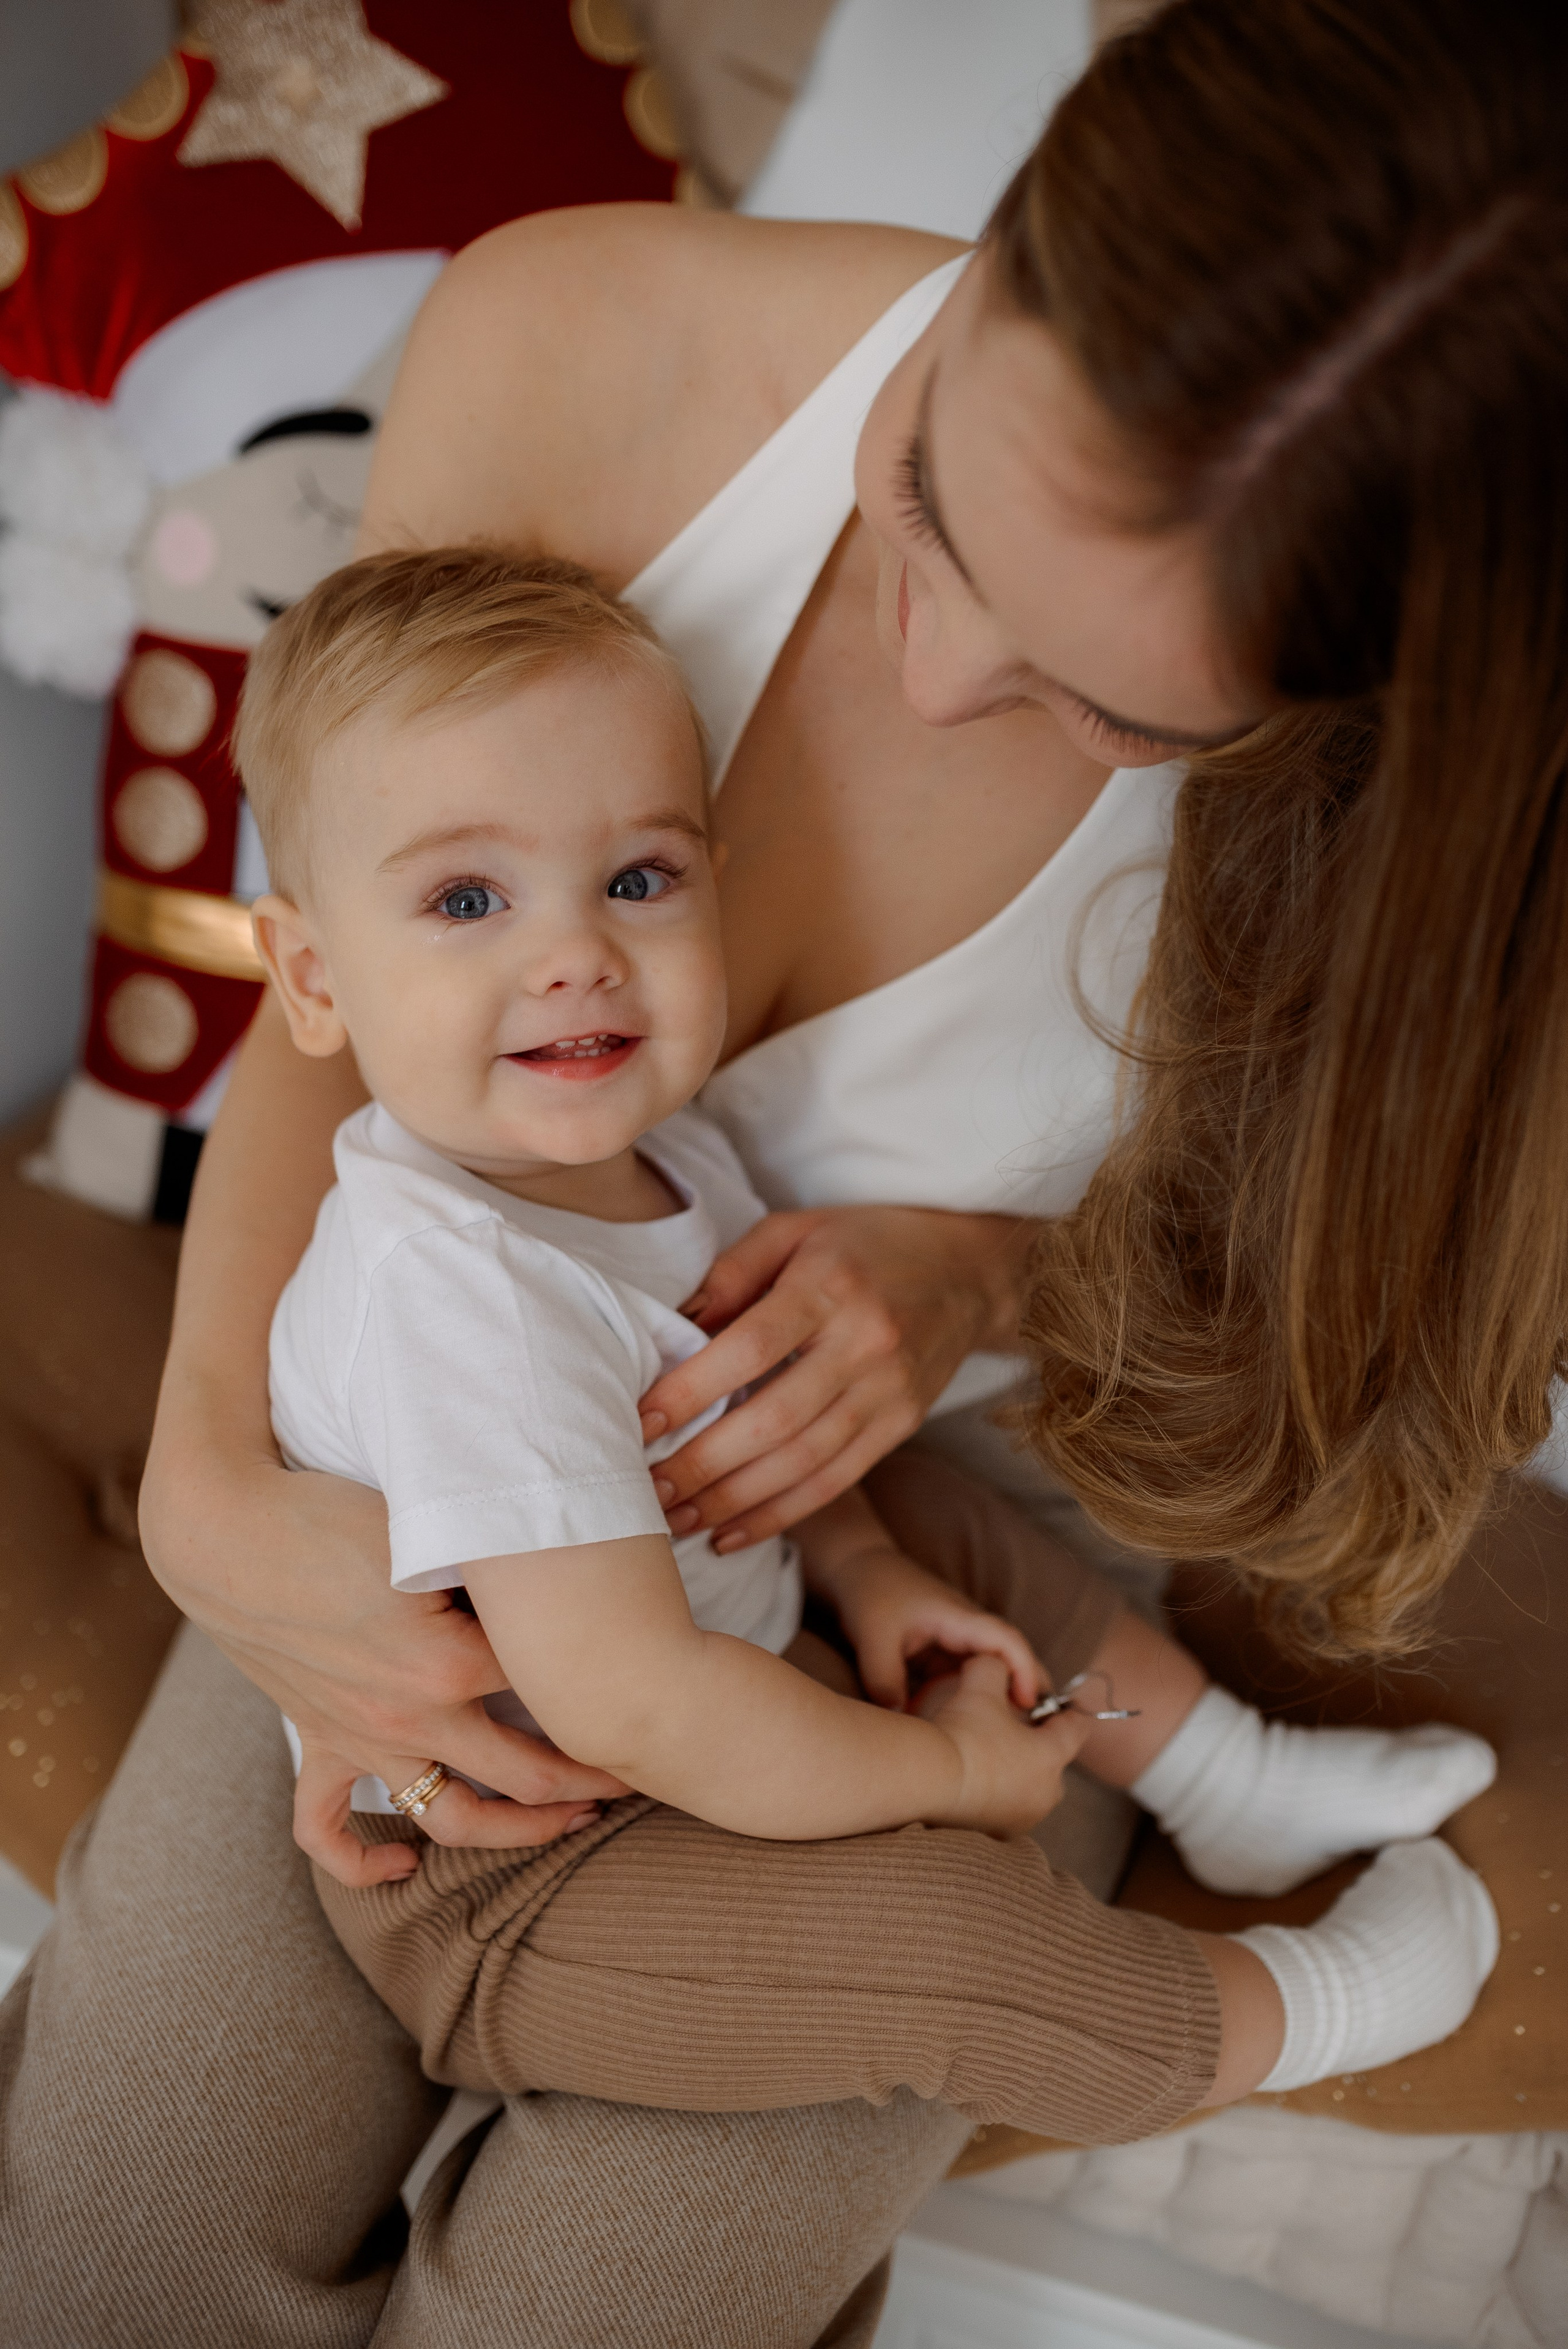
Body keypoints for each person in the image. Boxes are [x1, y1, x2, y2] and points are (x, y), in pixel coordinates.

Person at [4, 1, 1561, 2342]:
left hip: (946, 1550)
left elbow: (1335, 1303)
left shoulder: (1443, 809)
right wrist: (221, 1481)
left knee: (603, 2296)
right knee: (125, 2224)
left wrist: (973, 1275)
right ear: (1019, 231)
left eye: (1118, 710)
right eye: (930, 495)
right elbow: (335, 1034)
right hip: (467, 1458)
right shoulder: (577, 340)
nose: (938, 674)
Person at [240, 539, 1494, 2125]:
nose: (575, 953)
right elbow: (639, 1704)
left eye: (638, 877)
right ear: (311, 972)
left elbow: (733, 1438)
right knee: (947, 1941)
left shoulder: (652, 1151)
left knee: (893, 1477)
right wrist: (959, 1779)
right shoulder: (456, 1290)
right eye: (466, 897)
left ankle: (1215, 1773)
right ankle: (1286, 2013)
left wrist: (864, 1568)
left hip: (719, 1660)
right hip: (539, 1872)